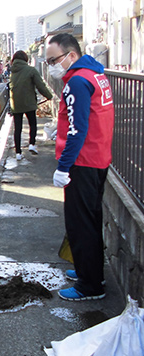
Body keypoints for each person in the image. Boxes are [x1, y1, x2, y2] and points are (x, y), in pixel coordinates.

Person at [46, 33, 114, 301]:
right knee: (91, 218)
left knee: (80, 223)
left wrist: (63, 167)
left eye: (54, 59)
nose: (51, 65)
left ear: (71, 55)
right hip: (98, 159)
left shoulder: (77, 82)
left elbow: (77, 129)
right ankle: (90, 271)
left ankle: (90, 286)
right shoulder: (96, 75)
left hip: (82, 163)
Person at [8, 50, 54, 161]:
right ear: (25, 59)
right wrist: (49, 96)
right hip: (29, 103)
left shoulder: (12, 72)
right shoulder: (31, 70)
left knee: (17, 128)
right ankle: (32, 144)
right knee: (32, 124)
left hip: (16, 104)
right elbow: (40, 86)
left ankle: (18, 153)